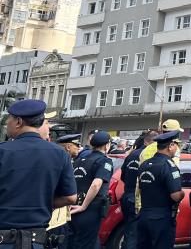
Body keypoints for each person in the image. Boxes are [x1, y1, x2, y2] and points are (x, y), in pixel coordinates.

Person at [0, 99, 77, 248]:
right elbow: (70, 197)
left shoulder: (3, 151)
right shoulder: (59, 154)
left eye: (9, 118)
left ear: (18, 122)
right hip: (36, 241)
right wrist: (41, 201)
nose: (6, 122)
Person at [136, 130, 185, 249]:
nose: (177, 149)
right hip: (161, 218)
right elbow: (175, 195)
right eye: (176, 145)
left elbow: (141, 189)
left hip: (144, 215)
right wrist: (182, 193)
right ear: (170, 146)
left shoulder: (145, 164)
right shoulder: (169, 166)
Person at [70, 130, 114, 248]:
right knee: (85, 244)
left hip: (73, 208)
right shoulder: (104, 161)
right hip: (89, 209)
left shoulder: (80, 160)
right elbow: (96, 184)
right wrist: (84, 206)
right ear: (106, 145)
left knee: (75, 241)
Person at [121, 131, 156, 249]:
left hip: (127, 196)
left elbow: (123, 176)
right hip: (138, 199)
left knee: (128, 231)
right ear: (148, 142)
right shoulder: (149, 156)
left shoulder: (132, 154)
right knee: (134, 235)